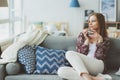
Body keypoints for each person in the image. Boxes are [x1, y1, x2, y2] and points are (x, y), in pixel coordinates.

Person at [57, 13, 111, 80]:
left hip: (98, 66)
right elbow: (80, 54)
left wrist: (100, 40)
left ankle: (87, 77)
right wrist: (87, 41)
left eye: (93, 21)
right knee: (61, 71)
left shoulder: (105, 39)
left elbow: (99, 57)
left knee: (69, 53)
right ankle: (92, 78)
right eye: (89, 21)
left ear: (100, 22)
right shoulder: (82, 36)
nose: (90, 23)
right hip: (83, 66)